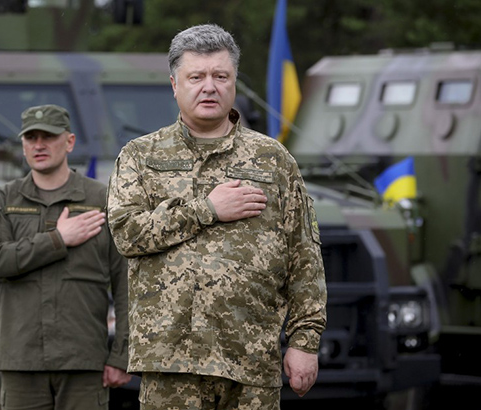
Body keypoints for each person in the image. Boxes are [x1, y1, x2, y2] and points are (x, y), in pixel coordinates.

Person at [106, 24, 327, 409]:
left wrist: (305, 342)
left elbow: (304, 255)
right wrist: (207, 210)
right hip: (171, 363)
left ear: (234, 82)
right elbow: (127, 233)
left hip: (250, 359)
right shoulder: (141, 156)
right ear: (175, 85)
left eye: (220, 76)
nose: (209, 87)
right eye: (196, 77)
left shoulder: (273, 160)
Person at [0, 104, 131, 410]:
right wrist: (58, 239)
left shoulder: (101, 200)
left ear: (69, 142)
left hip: (84, 361)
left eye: (48, 137)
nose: (39, 145)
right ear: (23, 144)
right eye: (31, 138)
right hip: (22, 361)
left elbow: (125, 282)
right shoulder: (2, 199)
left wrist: (122, 355)